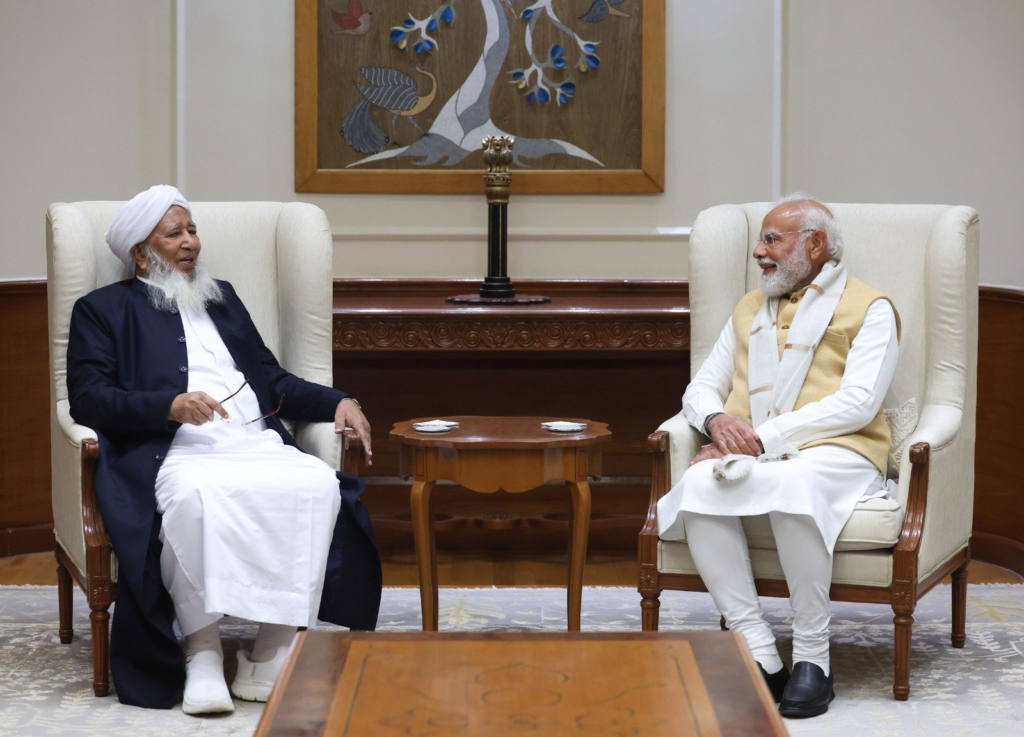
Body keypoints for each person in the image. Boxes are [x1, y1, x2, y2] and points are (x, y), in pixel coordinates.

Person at [66, 185, 382, 714]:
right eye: (175, 234)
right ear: (141, 253)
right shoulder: (102, 309)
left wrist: (339, 400)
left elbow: (271, 380)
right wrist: (168, 406)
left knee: (315, 485)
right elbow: (89, 397)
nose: (190, 242)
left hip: (250, 441)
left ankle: (270, 651)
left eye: (192, 230)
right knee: (194, 498)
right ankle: (203, 651)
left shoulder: (222, 297)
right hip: (175, 451)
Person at [657, 196, 900, 718]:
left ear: (815, 244)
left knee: (794, 482)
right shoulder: (749, 308)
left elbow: (860, 402)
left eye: (772, 240)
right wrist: (717, 422)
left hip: (839, 451)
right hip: (756, 452)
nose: (758, 252)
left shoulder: (871, 307)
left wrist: (764, 438)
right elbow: (702, 386)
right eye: (760, 240)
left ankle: (813, 658)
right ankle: (759, 652)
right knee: (697, 484)